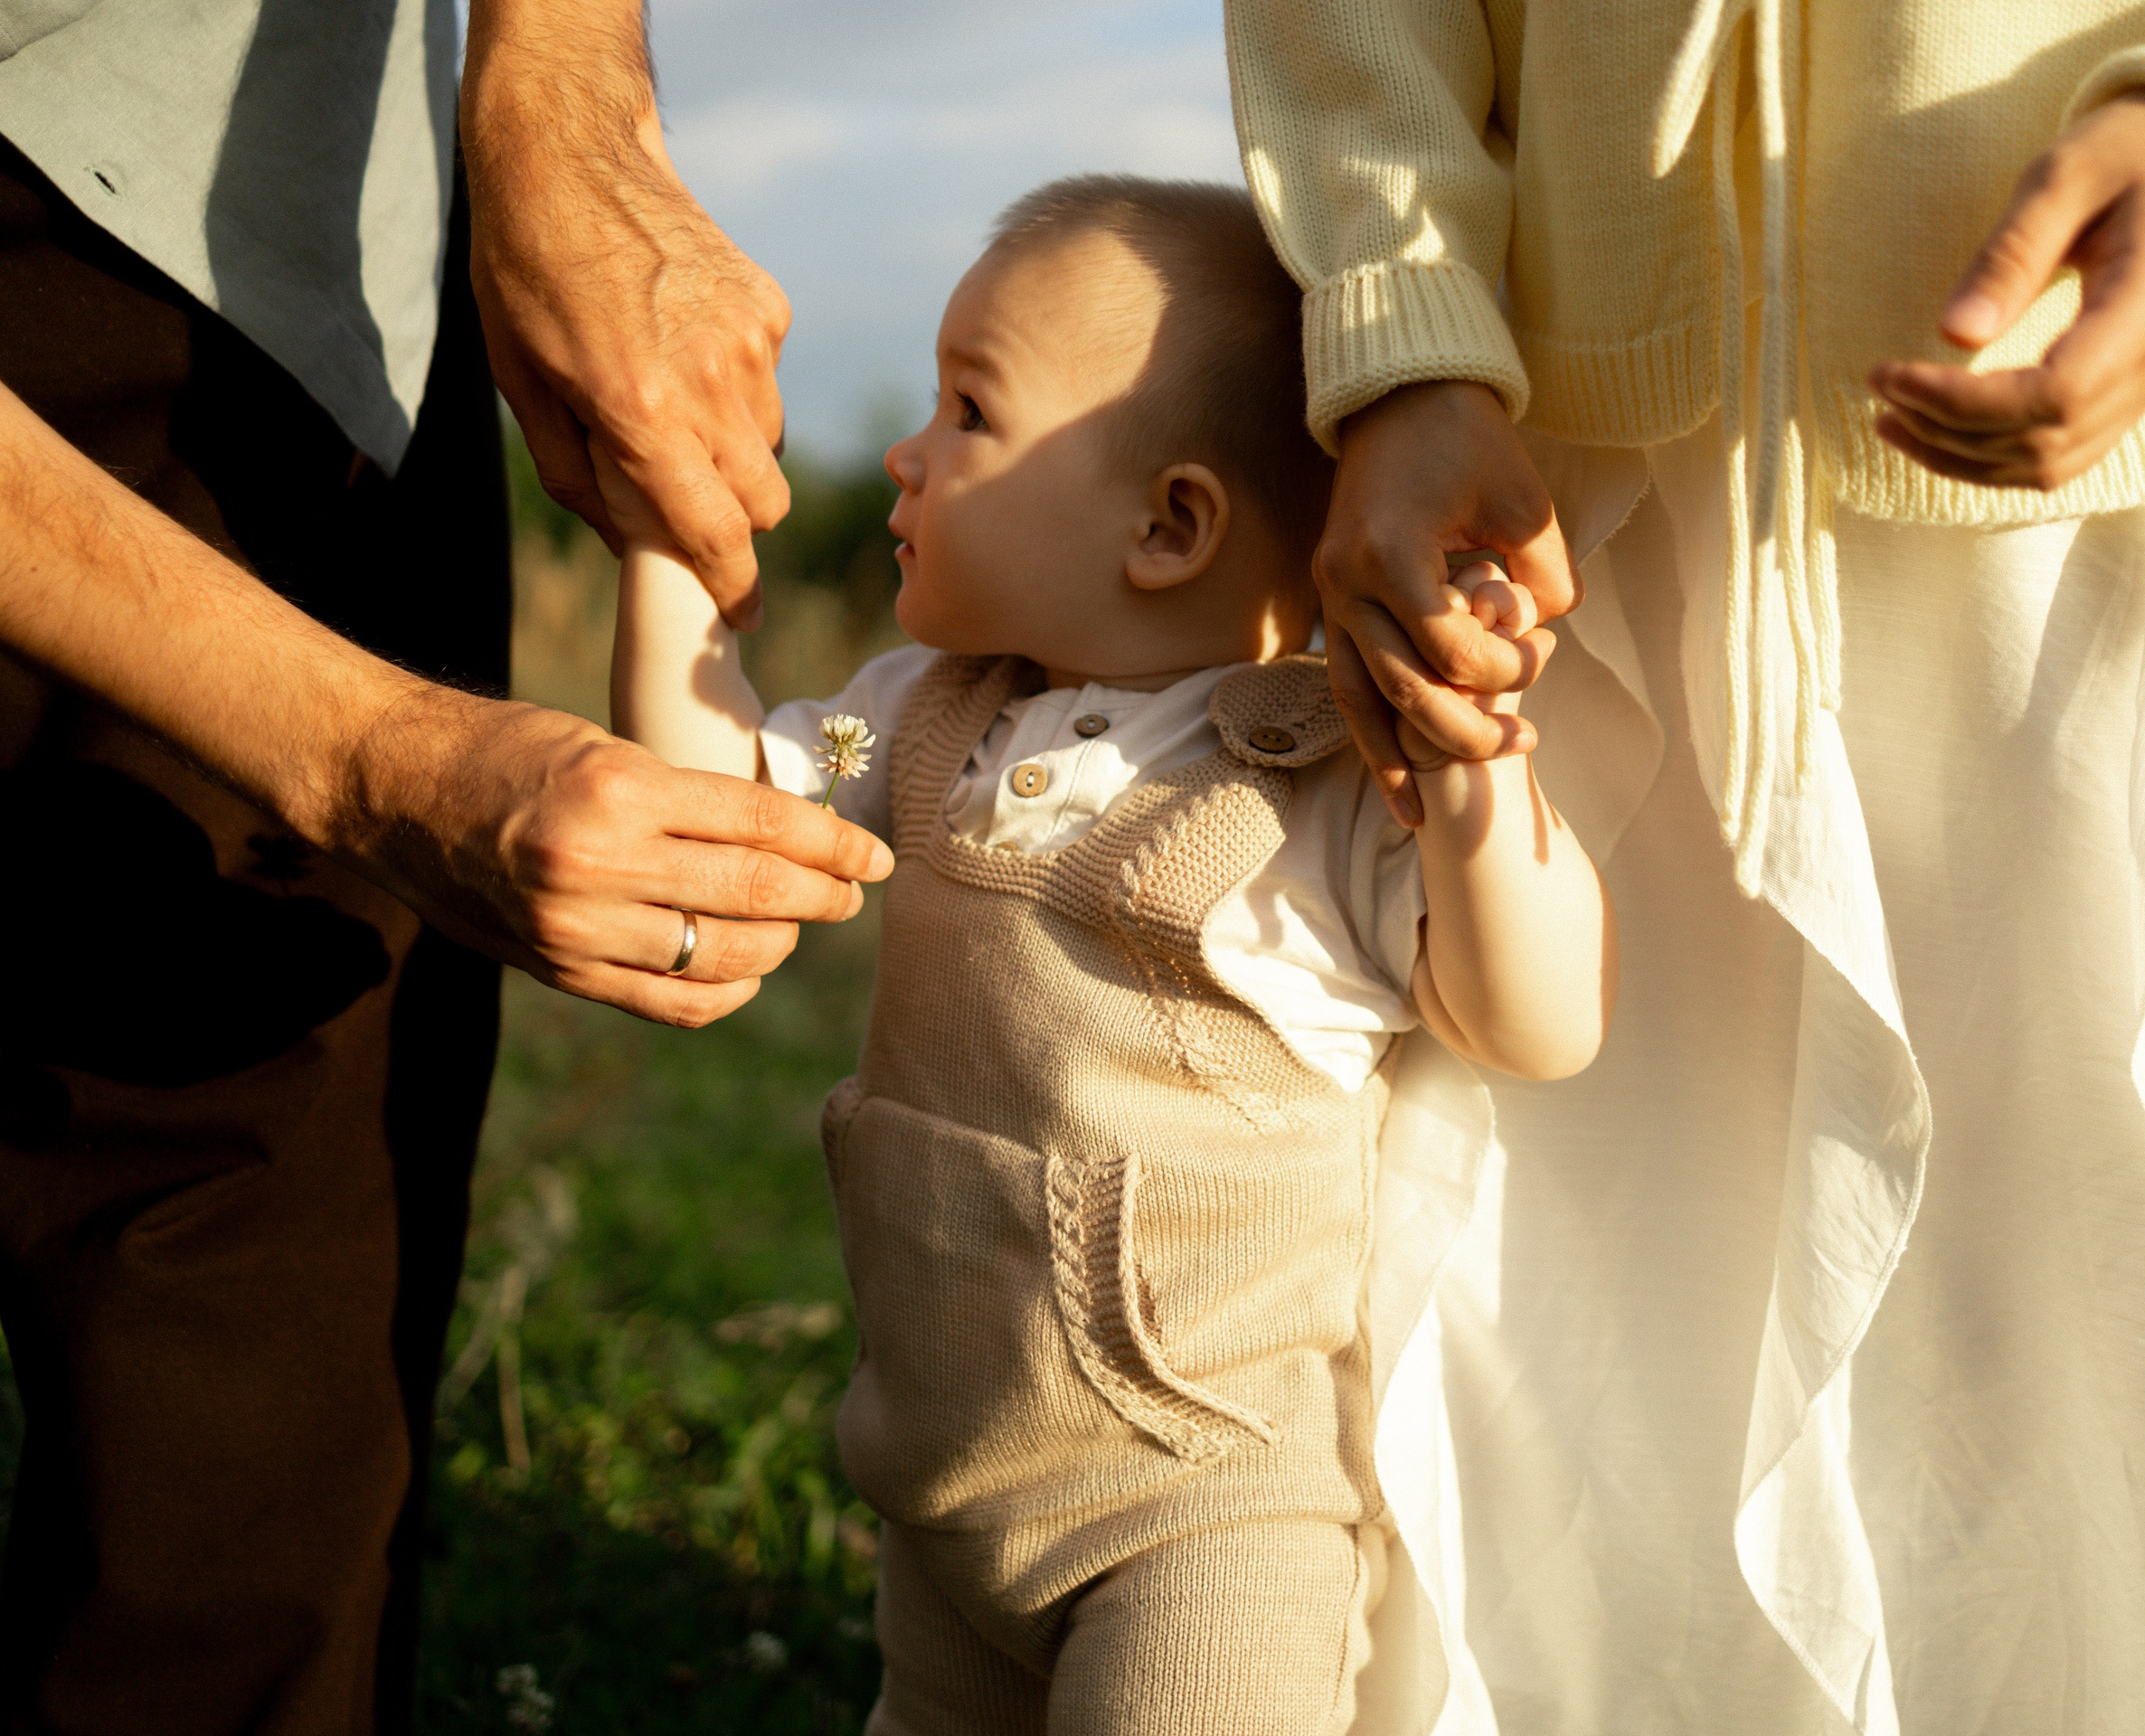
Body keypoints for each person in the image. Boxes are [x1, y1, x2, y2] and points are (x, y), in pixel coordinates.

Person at [1224, 1, 2145, 1731]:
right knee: (1614, 1370)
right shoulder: (934, 727)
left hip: (2140, 443)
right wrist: (1403, 326)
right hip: (1579, 498)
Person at [605, 175, 1616, 1733]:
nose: (905, 449)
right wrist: (669, 552)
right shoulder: (918, 707)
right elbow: (717, 798)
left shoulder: (1321, 777)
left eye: (968, 410)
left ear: (1170, 523)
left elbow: (1534, 1022)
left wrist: (1477, 775)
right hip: (943, 1498)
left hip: (1203, 1523)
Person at [0, 0, 888, 1727]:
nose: (911, 450)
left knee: (251, 1387)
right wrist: (366, 753)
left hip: (316, 289)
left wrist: (563, 90)